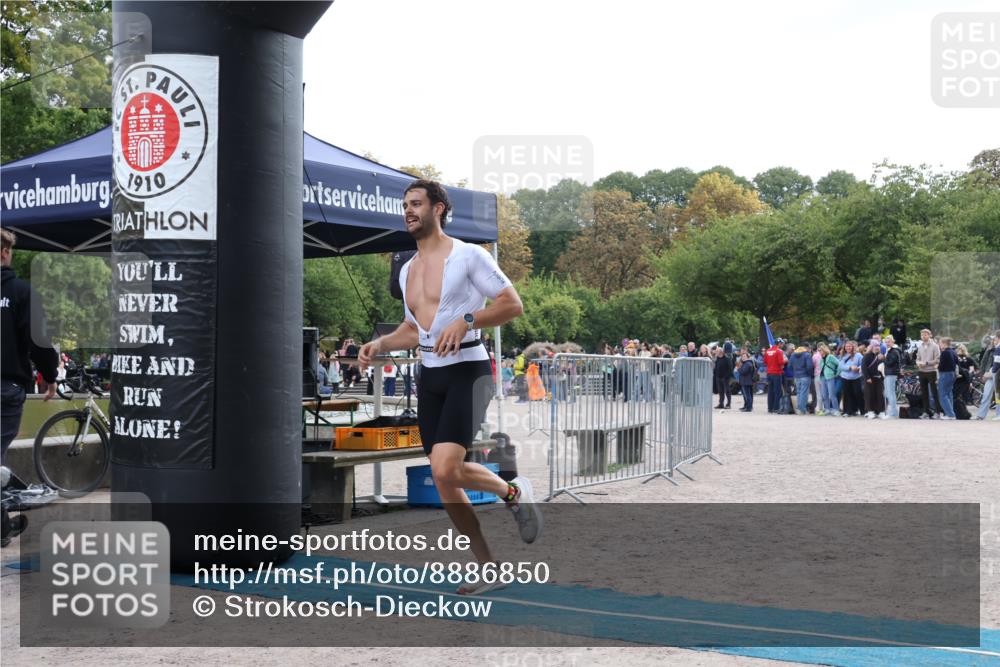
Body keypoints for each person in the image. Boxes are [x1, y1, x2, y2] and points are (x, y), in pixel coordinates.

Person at [357, 180, 539, 594]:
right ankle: (490, 567)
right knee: (445, 481)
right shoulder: (406, 269)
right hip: (431, 375)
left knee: (444, 468)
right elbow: (413, 328)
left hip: (468, 371)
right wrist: (380, 344)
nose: (408, 211)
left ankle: (512, 491)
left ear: (438, 208)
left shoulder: (469, 255)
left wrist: (469, 319)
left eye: (416, 203)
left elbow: (512, 304)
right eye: (405, 204)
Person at [2, 229, 58, 548]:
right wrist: (50, 376)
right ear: (4, 252)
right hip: (6, 387)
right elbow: (40, 342)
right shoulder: (22, 292)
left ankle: (2, 527)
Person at [915, 329, 941, 419]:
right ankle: (926, 411)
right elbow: (917, 358)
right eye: (922, 335)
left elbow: (937, 359)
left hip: (931, 371)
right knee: (924, 393)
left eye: (925, 335)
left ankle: (937, 412)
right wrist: (918, 363)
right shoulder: (920, 346)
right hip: (922, 371)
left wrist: (926, 363)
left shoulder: (935, 346)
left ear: (930, 335)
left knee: (934, 392)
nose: (923, 336)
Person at [976, 333, 1000, 420]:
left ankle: (998, 414)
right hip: (989, 373)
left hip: (996, 373)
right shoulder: (990, 349)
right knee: (986, 394)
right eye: (993, 339)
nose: (993, 341)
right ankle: (981, 415)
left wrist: (992, 372)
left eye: (995, 339)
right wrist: (982, 374)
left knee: (998, 395)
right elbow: (983, 362)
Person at [838, 341, 864, 417]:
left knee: (858, 394)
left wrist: (858, 368)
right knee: (847, 394)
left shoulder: (858, 355)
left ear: (852, 347)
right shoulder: (843, 355)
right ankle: (847, 411)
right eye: (846, 346)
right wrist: (850, 367)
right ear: (844, 348)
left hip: (856, 377)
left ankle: (862, 410)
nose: (848, 348)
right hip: (845, 377)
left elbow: (862, 364)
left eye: (849, 346)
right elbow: (841, 366)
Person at [862, 335, 884, 418]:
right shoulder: (867, 356)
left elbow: (882, 367)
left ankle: (880, 411)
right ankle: (870, 411)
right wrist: (867, 378)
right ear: (871, 347)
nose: (877, 347)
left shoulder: (880, 356)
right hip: (869, 379)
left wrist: (882, 377)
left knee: (879, 395)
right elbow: (864, 368)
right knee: (869, 395)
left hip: (878, 378)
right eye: (875, 346)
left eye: (878, 346)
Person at [880, 335, 902, 419]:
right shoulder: (889, 351)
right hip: (888, 373)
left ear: (893, 342)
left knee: (890, 393)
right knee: (887, 393)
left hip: (891, 373)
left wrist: (883, 358)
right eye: (886, 342)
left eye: (889, 342)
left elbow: (890, 363)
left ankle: (893, 413)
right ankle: (892, 412)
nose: (887, 343)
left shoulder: (894, 351)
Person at [788, 345, 813, 415]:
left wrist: (795, 371)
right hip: (805, 376)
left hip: (796, 376)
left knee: (799, 392)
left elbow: (789, 367)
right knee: (804, 392)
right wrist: (810, 374)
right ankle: (802, 409)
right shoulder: (807, 355)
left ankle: (799, 408)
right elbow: (809, 366)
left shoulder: (792, 355)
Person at [936, 337, 958, 420]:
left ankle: (950, 414)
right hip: (952, 373)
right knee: (949, 394)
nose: (939, 344)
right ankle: (951, 413)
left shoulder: (945, 352)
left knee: (942, 395)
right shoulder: (953, 351)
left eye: (940, 343)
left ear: (944, 343)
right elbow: (956, 363)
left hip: (945, 373)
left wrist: (937, 366)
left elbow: (941, 365)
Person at [763, 339, 786, 414]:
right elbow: (781, 362)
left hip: (769, 373)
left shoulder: (767, 351)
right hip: (777, 373)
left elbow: (765, 362)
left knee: (770, 391)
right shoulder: (779, 351)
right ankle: (776, 408)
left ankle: (770, 408)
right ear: (779, 344)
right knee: (777, 391)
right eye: (782, 344)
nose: (782, 345)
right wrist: (786, 360)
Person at [818, 343, 840, 416]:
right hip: (822, 377)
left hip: (830, 377)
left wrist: (836, 374)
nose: (819, 352)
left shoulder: (830, 357)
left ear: (824, 350)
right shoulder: (821, 359)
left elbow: (839, 364)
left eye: (820, 350)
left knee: (832, 394)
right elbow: (821, 369)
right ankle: (827, 409)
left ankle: (836, 409)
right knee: (824, 394)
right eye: (819, 350)